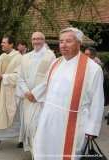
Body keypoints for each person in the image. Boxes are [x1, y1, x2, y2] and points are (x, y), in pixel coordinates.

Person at [33, 28, 104, 160]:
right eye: (61, 41)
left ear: (79, 43)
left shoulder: (93, 69)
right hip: (47, 118)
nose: (63, 45)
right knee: (43, 151)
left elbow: (97, 100)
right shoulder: (56, 63)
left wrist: (92, 129)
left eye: (68, 41)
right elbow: (46, 87)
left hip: (71, 122)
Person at [15, 32, 56, 153]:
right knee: (27, 125)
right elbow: (20, 76)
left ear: (44, 41)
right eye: (33, 39)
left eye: (38, 39)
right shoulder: (26, 56)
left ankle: (38, 152)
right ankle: (33, 151)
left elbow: (49, 77)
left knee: (35, 125)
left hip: (39, 98)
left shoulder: (50, 56)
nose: (36, 42)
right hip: (27, 97)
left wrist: (35, 93)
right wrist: (27, 92)